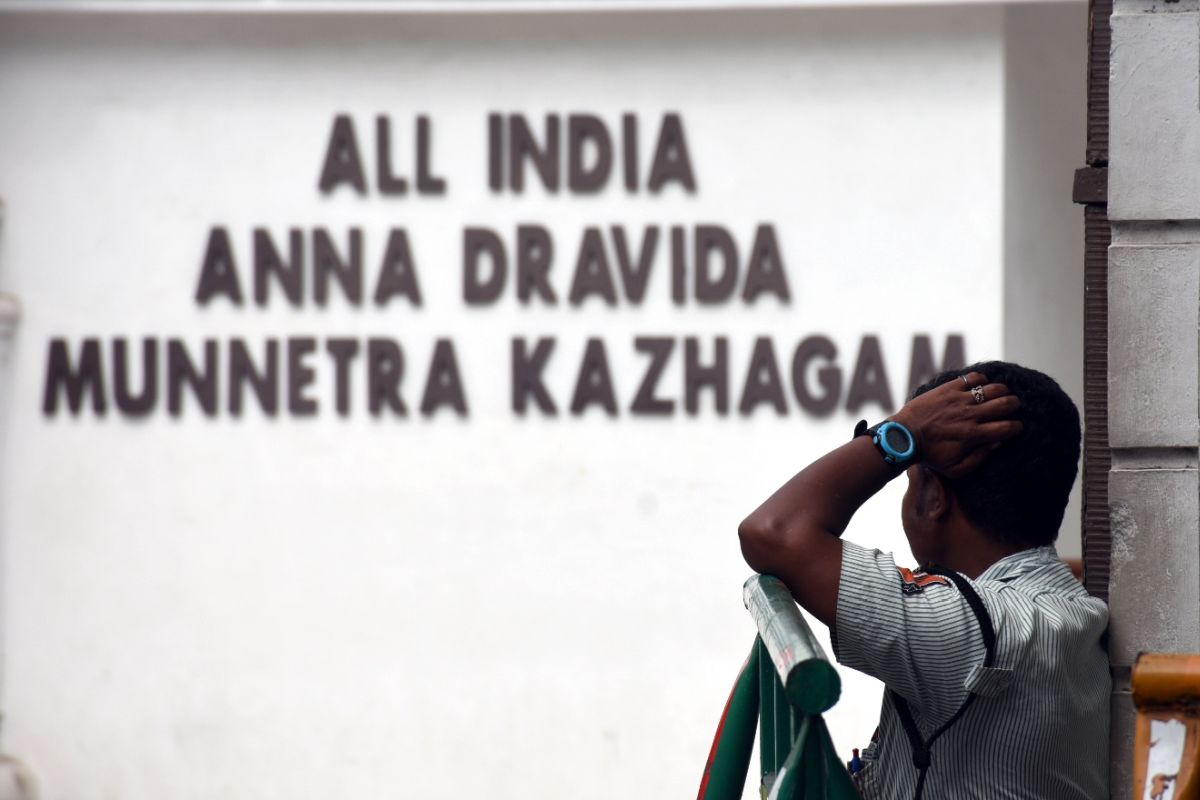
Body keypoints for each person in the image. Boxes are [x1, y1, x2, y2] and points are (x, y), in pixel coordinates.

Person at [738, 362, 1109, 800]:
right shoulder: (1071, 608)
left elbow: (773, 532)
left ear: (934, 497)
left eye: (911, 479)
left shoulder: (964, 628)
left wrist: (901, 432)